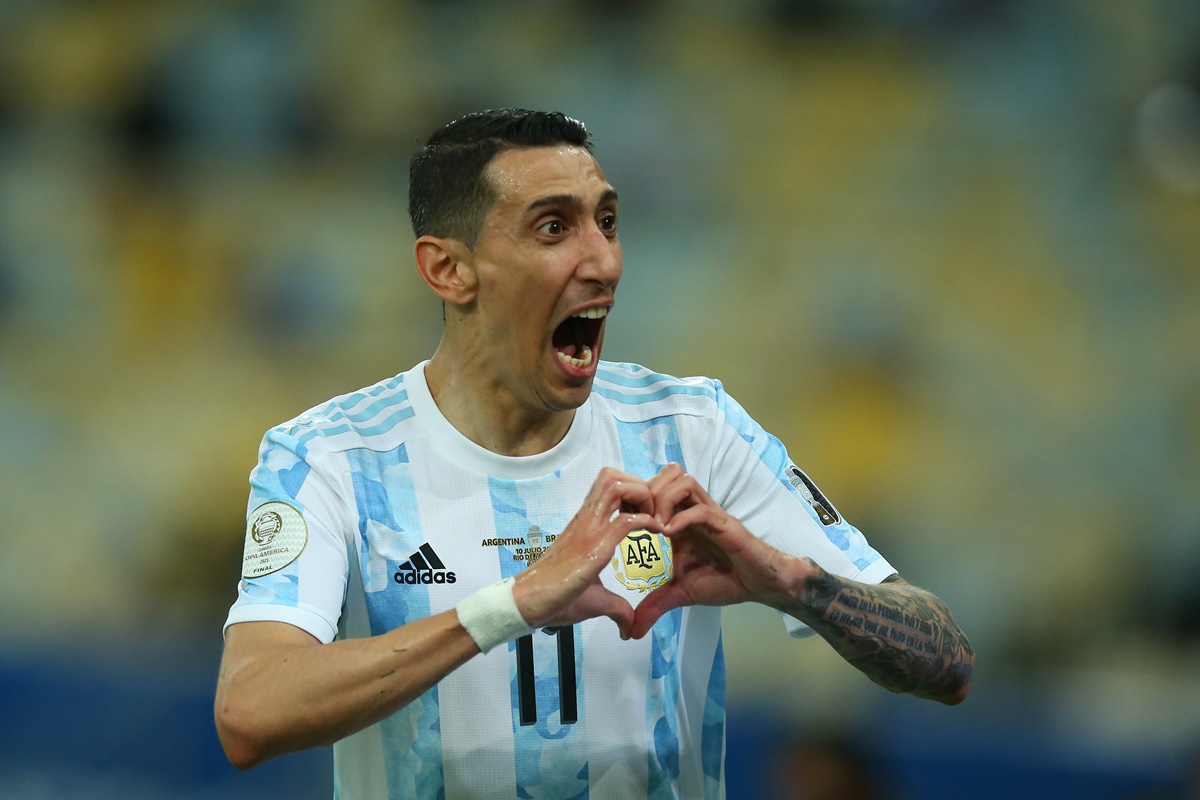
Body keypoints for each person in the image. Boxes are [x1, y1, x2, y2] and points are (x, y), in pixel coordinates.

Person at [214, 108, 974, 800]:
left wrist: (788, 579)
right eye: (554, 228)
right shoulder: (330, 456)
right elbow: (249, 714)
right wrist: (510, 606)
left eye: (607, 222)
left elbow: (946, 661)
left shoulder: (693, 430)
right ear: (448, 269)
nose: (603, 261)